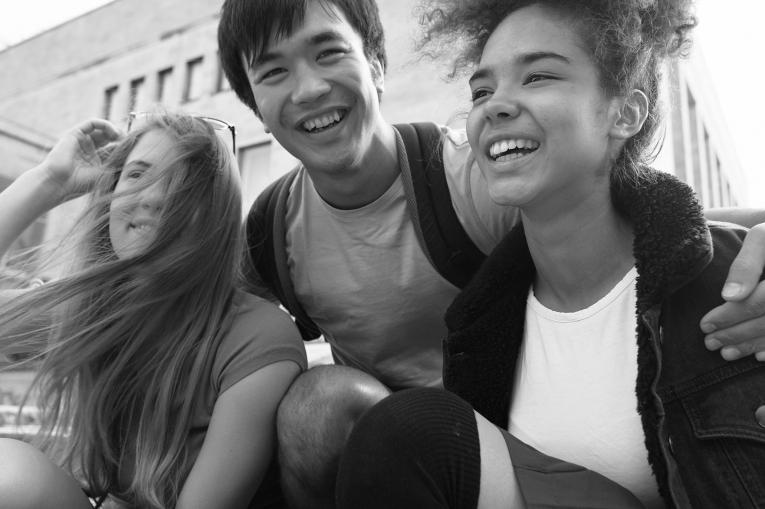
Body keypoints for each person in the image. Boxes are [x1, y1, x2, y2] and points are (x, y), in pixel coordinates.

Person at [217, 0, 765, 504]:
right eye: (273, 71)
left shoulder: (477, 181)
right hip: (413, 447)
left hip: (485, 435)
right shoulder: (270, 229)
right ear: (255, 107)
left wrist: (750, 249)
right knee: (322, 404)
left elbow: (640, 219)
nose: (309, 88)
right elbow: (199, 318)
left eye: (328, 52)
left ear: (377, 66)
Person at [0, 112, 306, 509]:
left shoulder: (257, 338)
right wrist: (49, 181)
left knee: (15, 475)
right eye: (136, 175)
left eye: (184, 186)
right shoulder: (92, 306)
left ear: (216, 215)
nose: (152, 198)